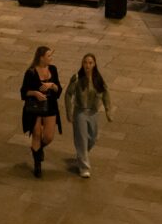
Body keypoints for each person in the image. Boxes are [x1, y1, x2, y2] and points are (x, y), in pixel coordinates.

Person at [64, 52, 113, 178]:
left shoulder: (98, 79)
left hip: (93, 112)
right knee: (82, 139)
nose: (87, 65)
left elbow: (106, 93)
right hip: (80, 111)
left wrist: (108, 110)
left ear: (94, 64)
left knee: (92, 138)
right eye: (85, 62)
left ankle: (81, 155)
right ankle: (84, 167)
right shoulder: (76, 78)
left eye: (90, 63)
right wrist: (69, 111)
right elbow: (68, 94)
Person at [20, 45, 63, 178]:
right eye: (49, 56)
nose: (51, 58)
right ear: (41, 58)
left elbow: (59, 90)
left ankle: (38, 149)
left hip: (50, 106)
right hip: (35, 108)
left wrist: (52, 85)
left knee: (48, 136)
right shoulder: (31, 72)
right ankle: (37, 164)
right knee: (37, 134)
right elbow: (23, 92)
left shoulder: (53, 69)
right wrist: (35, 93)